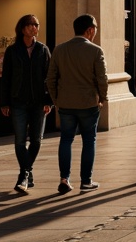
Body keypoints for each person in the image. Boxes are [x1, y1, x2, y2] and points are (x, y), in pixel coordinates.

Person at [46, 14, 108, 193]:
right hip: (88, 103)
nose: (96, 32)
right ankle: (86, 181)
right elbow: (102, 79)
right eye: (95, 28)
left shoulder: (59, 50)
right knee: (89, 141)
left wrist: (56, 99)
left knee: (66, 140)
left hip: (65, 104)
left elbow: (51, 79)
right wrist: (102, 98)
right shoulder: (96, 51)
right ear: (90, 30)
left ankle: (64, 178)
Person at [0, 14, 51, 194]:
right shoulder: (12, 51)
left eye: (36, 25)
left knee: (36, 140)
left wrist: (49, 101)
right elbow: (6, 77)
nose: (34, 28)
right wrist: (5, 102)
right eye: (30, 25)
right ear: (22, 28)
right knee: (20, 140)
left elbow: (49, 77)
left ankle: (25, 173)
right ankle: (26, 174)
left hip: (38, 102)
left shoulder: (43, 50)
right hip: (18, 102)